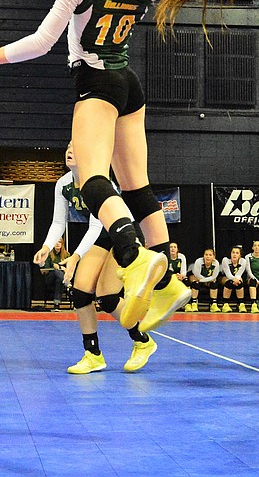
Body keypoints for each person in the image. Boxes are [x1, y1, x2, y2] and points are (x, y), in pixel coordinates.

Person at [0, 0, 236, 334]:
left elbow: (42, 42)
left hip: (96, 81)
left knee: (89, 179)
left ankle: (132, 258)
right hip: (130, 84)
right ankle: (166, 280)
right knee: (137, 186)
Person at [44, 142, 158, 373]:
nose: (69, 150)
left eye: (76, 147)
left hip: (123, 234)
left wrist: (75, 256)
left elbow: (96, 226)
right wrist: (46, 247)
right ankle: (93, 355)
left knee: (107, 297)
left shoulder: (98, 183)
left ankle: (143, 341)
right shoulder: (63, 184)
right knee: (80, 292)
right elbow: (58, 222)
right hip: (103, 236)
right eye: (67, 146)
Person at [38, 238, 70, 310]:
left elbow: (70, 269)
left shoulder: (67, 255)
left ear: (62, 244)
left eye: (59, 242)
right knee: (56, 271)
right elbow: (46, 270)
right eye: (56, 242)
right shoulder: (49, 254)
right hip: (50, 278)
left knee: (59, 280)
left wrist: (63, 269)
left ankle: (57, 304)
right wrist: (55, 267)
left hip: (61, 278)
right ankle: (67, 284)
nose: (57, 244)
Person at [219, 245, 249, 313]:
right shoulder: (225, 260)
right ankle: (225, 304)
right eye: (233, 252)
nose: (234, 255)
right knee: (229, 282)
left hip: (237, 277)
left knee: (239, 283)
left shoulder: (243, 261)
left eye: (237, 253)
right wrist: (234, 279)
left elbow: (239, 274)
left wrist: (236, 280)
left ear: (240, 255)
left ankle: (241, 304)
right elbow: (228, 274)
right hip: (224, 277)